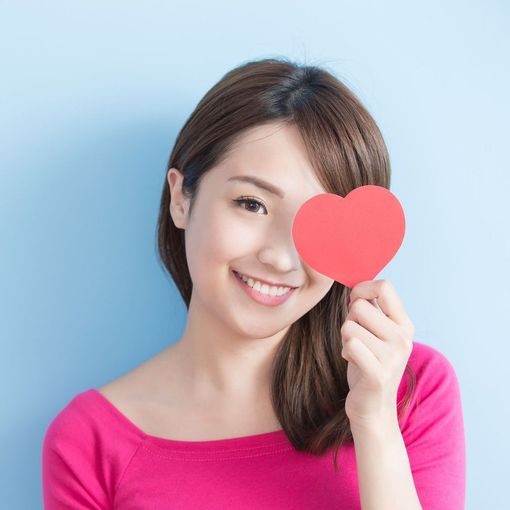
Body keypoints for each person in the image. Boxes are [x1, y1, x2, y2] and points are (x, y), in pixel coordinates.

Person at [42, 57, 466, 509]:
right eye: (251, 204)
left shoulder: (409, 391)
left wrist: (374, 421)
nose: (280, 257)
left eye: (315, 224)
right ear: (182, 199)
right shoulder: (89, 442)